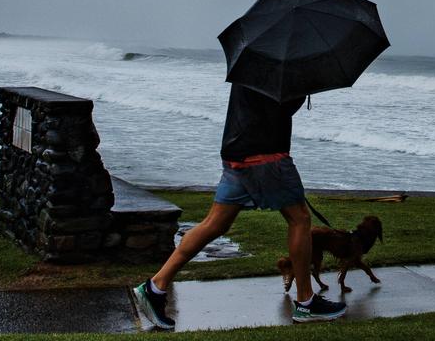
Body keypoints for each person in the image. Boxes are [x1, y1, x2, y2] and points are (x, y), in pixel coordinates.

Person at [131, 84, 347, 329]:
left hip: (236, 151)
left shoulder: (254, 61)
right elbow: (278, 109)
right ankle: (306, 303)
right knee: (299, 219)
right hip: (265, 156)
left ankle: (155, 286)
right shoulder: (277, 67)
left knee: (215, 223)